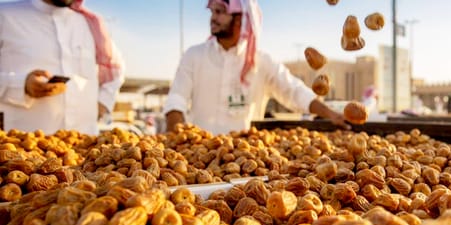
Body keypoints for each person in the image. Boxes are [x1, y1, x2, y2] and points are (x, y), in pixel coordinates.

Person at [163, 0, 349, 134]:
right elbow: (176, 98)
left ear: (241, 19)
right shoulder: (194, 55)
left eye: (220, 12)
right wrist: (177, 134)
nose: (213, 18)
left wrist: (330, 114)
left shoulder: (262, 61)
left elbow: (294, 91)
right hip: (199, 158)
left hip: (247, 163)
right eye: (212, 12)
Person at [0, 0, 125, 135]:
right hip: (23, 148)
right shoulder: (5, 15)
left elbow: (116, 69)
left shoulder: (90, 24)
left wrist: (103, 103)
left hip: (85, 146)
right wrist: (19, 85)